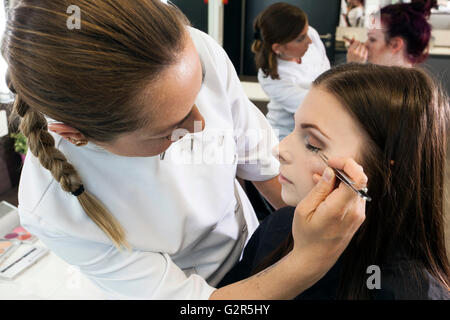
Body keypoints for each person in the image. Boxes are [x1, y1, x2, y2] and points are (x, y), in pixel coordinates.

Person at [3, 0, 367, 299]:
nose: (201, 124)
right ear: (78, 135)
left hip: (257, 245)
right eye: (169, 129)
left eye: (199, 93)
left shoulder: (192, 50)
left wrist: (307, 236)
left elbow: (263, 165)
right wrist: (308, 260)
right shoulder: (52, 210)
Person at [218, 63, 450, 299]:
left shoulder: (408, 292)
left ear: (386, 170)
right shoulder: (279, 227)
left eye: (313, 143)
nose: (280, 149)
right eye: (294, 128)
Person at [252, 2, 330, 141]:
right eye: (301, 38)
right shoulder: (270, 78)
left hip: (315, 131)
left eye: (307, 32)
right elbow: (315, 107)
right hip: (285, 137)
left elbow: (328, 76)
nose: (310, 40)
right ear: (278, 48)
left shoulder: (310, 34)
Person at [347, 0, 438, 67]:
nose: (365, 44)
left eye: (372, 39)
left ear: (395, 45)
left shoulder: (391, 90)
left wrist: (352, 68)